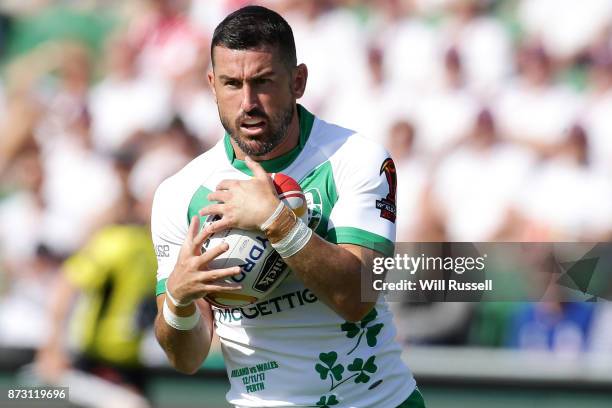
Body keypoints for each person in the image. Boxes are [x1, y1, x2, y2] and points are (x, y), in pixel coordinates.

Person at [152, 6, 425, 407]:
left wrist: (276, 222)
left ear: (298, 81)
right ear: (211, 84)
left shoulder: (355, 159)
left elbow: (357, 298)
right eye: (231, 84)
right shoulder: (179, 193)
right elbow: (188, 358)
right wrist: (178, 300)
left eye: (262, 82)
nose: (247, 102)